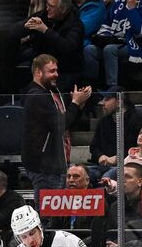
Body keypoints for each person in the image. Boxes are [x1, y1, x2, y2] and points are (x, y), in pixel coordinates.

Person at [21, 54, 91, 192]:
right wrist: (75, 103)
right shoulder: (37, 97)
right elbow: (60, 124)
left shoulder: (52, 94)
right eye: (51, 71)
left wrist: (78, 106)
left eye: (56, 70)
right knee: (48, 213)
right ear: (38, 72)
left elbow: (68, 124)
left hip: (57, 164)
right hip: (45, 167)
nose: (56, 74)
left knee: (58, 212)